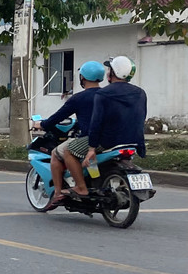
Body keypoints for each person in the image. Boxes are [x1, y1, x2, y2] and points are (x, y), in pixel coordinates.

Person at [37, 60, 105, 208]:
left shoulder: (79, 98)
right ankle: (93, 179)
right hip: (108, 138)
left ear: (83, 78)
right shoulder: (107, 95)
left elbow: (57, 117)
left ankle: (59, 192)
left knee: (57, 153)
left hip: (89, 138)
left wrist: (42, 124)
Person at [83, 55, 148, 190]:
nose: (108, 73)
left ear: (113, 73)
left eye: (109, 69)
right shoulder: (141, 93)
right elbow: (141, 119)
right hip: (134, 141)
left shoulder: (103, 94)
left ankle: (83, 185)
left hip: (109, 142)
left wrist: (91, 149)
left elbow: (96, 123)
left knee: (68, 151)